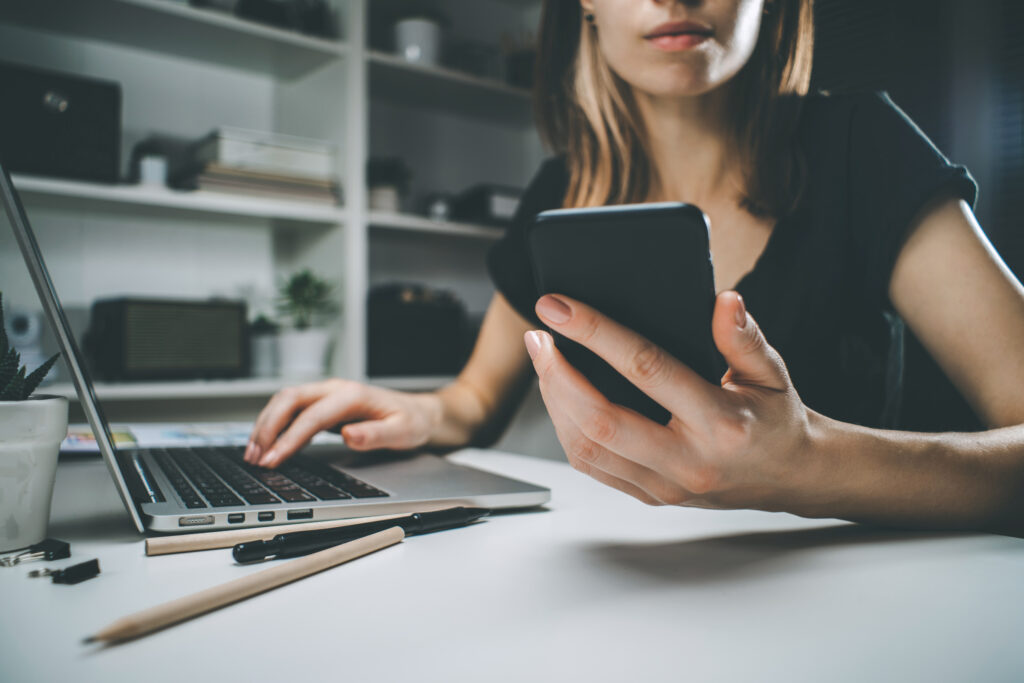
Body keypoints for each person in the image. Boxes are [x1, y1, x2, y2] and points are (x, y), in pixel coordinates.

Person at [245, 0, 1024, 534]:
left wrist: (809, 462)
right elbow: (473, 399)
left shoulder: (863, 145)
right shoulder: (560, 190)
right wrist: (410, 411)